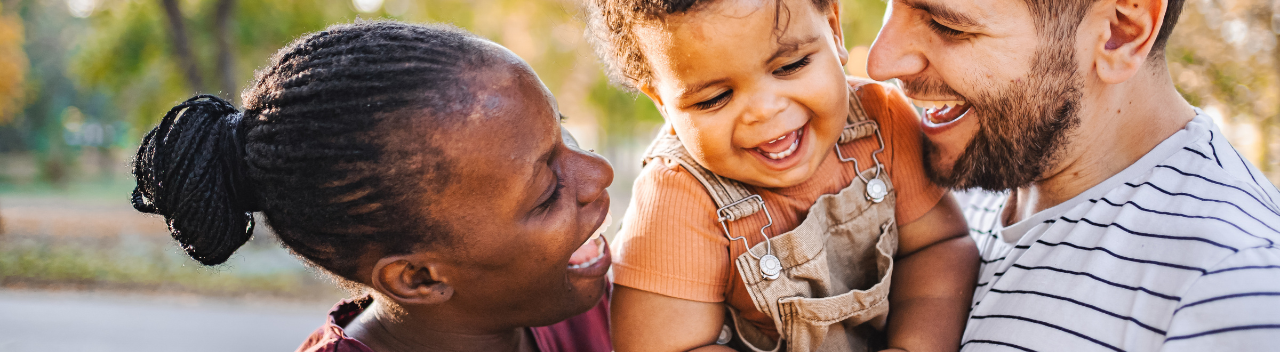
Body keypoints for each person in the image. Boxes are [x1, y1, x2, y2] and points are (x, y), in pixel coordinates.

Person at [129, 21, 614, 352]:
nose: (599, 172)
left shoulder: (612, 300)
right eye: (547, 192)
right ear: (419, 278)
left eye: (564, 134)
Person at [866, 0, 1280, 350]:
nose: (879, 62)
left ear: (1122, 31)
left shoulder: (1233, 284)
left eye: (947, 25)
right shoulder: (943, 185)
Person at [585, 0, 979, 351]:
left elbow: (938, 248)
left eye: (790, 65)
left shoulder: (882, 122)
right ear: (663, 102)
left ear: (834, 27)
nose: (765, 111)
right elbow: (668, 345)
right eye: (713, 98)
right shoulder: (676, 197)